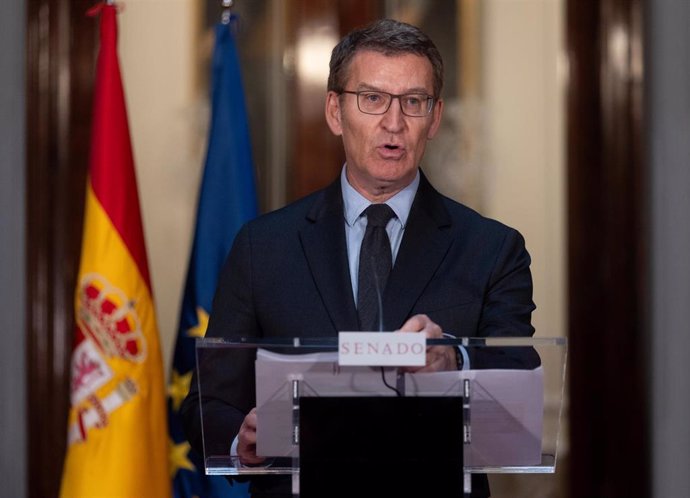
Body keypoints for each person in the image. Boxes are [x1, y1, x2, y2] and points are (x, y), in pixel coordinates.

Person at [181, 18, 536, 498]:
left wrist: (451, 358)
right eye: (372, 99)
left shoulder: (492, 248)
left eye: (413, 102)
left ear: (434, 118)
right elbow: (208, 403)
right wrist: (242, 439)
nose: (394, 124)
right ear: (334, 110)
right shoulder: (263, 246)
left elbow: (516, 386)